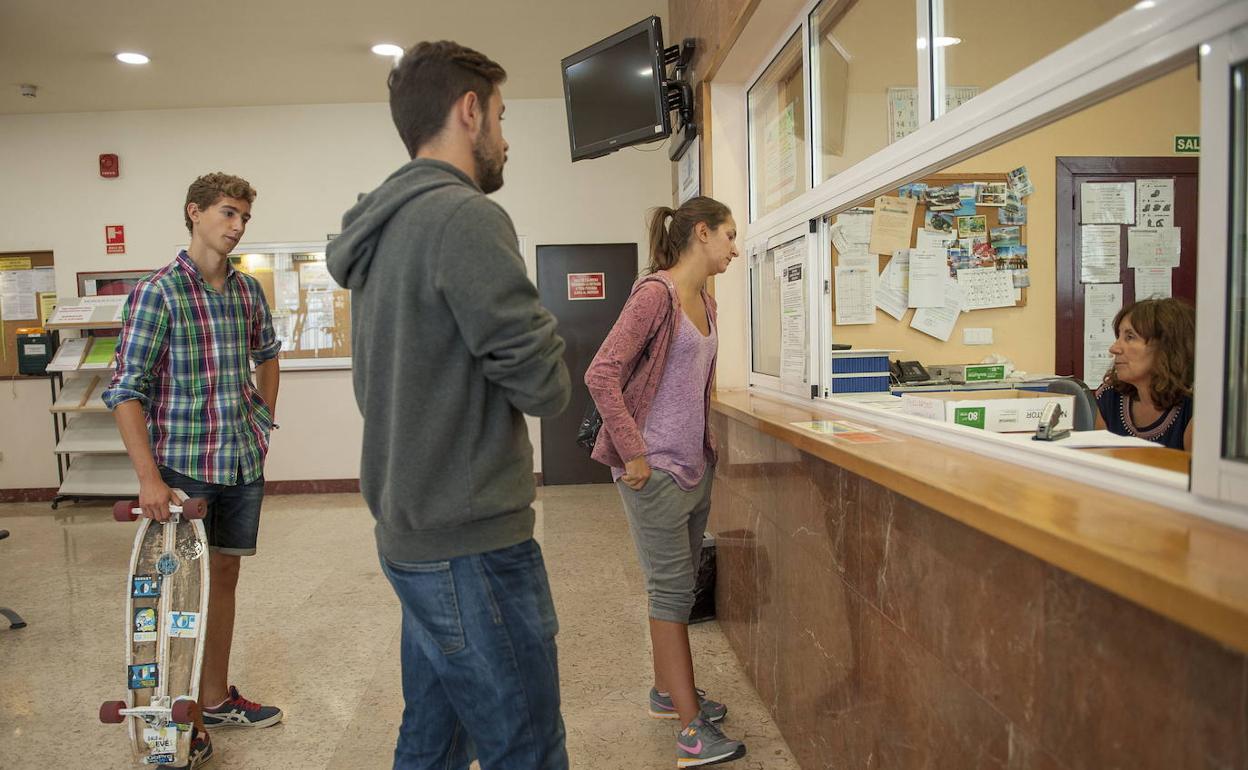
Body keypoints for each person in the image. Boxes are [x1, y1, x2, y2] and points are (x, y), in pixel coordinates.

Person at [326, 41, 571, 770]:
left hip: (414, 534)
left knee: (433, 742)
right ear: (470, 111)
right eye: (501, 116)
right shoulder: (464, 217)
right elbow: (545, 387)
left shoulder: (382, 230)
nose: (505, 138)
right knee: (527, 747)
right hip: (473, 546)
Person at [104, 172, 284, 769]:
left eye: (244, 218)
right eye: (228, 213)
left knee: (225, 577)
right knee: (181, 593)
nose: (237, 226)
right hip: (183, 468)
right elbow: (124, 390)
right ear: (194, 212)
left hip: (241, 461)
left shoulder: (247, 291)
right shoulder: (157, 293)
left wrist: (262, 422)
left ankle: (214, 698)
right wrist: (148, 479)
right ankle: (182, 720)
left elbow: (268, 355)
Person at [584, 196, 745, 767]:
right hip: (653, 472)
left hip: (694, 465)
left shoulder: (708, 302)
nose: (734, 248)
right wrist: (633, 453)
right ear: (701, 233)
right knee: (673, 593)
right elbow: (601, 373)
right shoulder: (656, 295)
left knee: (677, 586)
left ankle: (665, 692)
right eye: (729, 235)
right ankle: (691, 732)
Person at [1094, 297, 1195, 450]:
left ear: (1166, 347)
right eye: (1118, 336)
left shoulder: (1195, 408)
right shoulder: (1110, 397)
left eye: (1130, 337)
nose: (1114, 348)